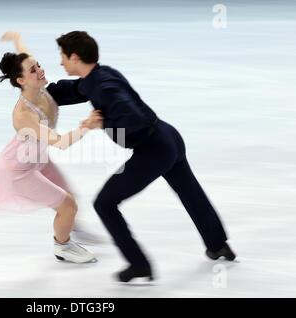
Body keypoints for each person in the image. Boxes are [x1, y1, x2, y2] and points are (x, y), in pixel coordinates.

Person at [51, 31, 236, 282]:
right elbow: (76, 89)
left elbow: (132, 118)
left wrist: (102, 124)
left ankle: (138, 264)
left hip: (153, 148)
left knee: (104, 204)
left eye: (62, 56)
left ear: (74, 57)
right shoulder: (99, 75)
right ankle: (218, 245)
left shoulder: (105, 86)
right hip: (168, 137)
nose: (61, 62)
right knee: (190, 192)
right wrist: (44, 95)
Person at [0, 32, 103, 264]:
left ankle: (70, 226)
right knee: (67, 205)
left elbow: (25, 54)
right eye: (33, 70)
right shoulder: (23, 115)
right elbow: (60, 142)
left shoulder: (36, 83)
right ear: (21, 81)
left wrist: (16, 38)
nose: (40, 70)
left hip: (39, 159)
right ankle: (62, 246)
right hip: (20, 171)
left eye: (39, 65)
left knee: (70, 199)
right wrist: (87, 126)